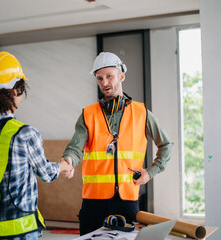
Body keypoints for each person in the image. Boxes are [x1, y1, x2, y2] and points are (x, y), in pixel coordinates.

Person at [62, 52, 174, 235]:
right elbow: (75, 148)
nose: (104, 83)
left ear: (121, 76)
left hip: (127, 200)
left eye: (109, 76)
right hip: (93, 202)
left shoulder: (141, 113)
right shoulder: (88, 115)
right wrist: (68, 161)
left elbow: (167, 144)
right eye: (99, 78)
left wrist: (151, 172)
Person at [0, 51, 72, 240]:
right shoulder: (23, 134)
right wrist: (64, 165)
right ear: (15, 91)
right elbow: (46, 173)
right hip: (19, 231)